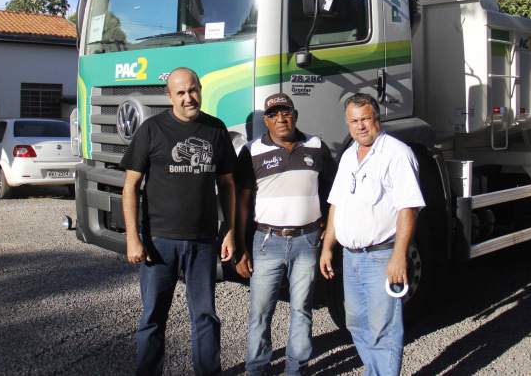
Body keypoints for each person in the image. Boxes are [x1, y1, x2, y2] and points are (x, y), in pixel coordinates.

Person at [120, 67, 237, 376]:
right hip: (160, 242)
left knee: (205, 316)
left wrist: (229, 230)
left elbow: (227, 184)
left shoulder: (216, 129)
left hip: (203, 242)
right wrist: (133, 237)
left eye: (193, 89)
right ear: (169, 96)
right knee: (153, 318)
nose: (189, 97)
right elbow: (130, 186)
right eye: (181, 92)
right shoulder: (151, 130)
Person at [319, 93, 425, 376]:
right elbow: (336, 204)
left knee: (383, 329)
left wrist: (399, 257)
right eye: (354, 121)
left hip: (380, 258)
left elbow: (408, 209)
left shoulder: (397, 154)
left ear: (377, 118)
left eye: (365, 118)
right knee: (356, 324)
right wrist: (328, 246)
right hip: (350, 259)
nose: (360, 126)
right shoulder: (348, 156)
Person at [234, 93, 336, 376]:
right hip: (267, 242)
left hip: (307, 241)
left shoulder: (316, 146)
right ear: (266, 120)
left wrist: (328, 222)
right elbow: (241, 203)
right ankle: (257, 369)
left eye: (286, 112)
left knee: (302, 309)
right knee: (260, 313)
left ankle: (296, 369)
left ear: (295, 115)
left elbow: (333, 191)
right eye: (274, 114)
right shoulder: (251, 152)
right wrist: (241, 246)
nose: (281, 119)